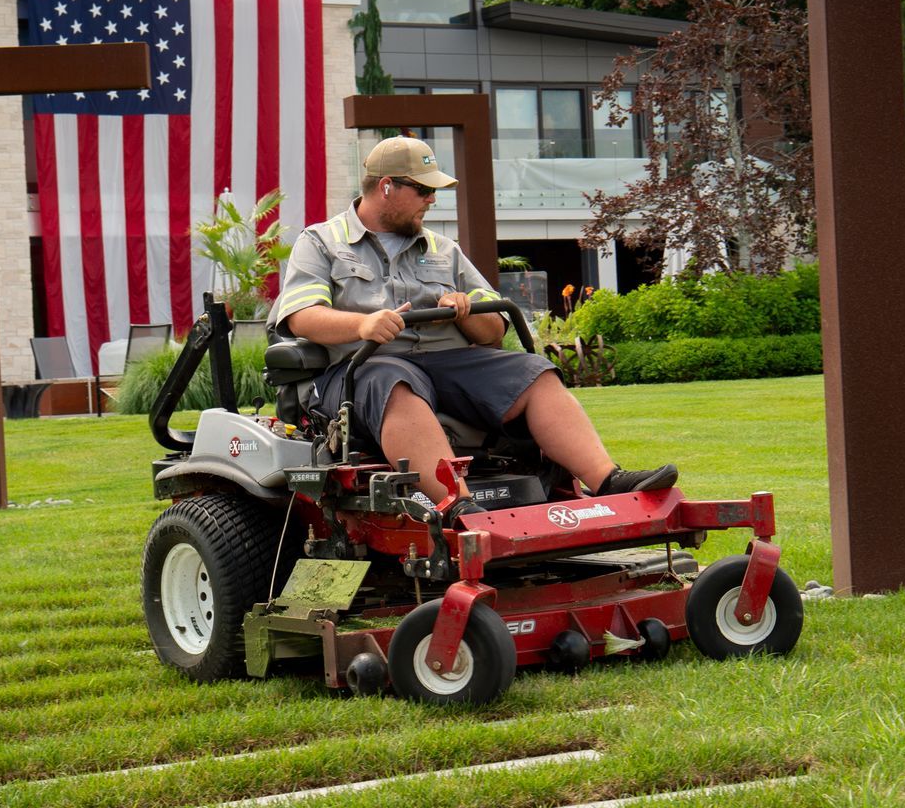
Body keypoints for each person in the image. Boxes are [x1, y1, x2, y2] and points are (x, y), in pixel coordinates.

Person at [271, 136, 676, 521]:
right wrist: (364, 323)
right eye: (424, 190)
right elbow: (301, 315)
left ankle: (608, 480)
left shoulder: (443, 249)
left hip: (446, 361)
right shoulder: (322, 242)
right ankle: (460, 506)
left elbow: (492, 332)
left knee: (533, 373)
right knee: (393, 379)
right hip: (363, 369)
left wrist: (466, 311)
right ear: (387, 187)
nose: (432, 199)